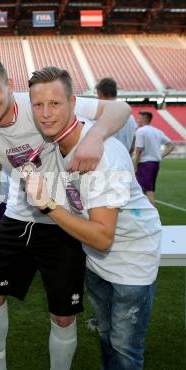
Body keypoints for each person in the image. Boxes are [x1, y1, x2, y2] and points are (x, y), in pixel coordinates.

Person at [0, 56, 131, 370]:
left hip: (63, 220)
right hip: (19, 217)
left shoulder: (41, 102)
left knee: (64, 314)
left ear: (10, 87)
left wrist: (94, 137)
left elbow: (120, 109)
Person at [25, 66, 162, 370]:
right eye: (38, 105)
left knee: (125, 352)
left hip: (131, 260)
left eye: (55, 104)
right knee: (107, 337)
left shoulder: (103, 155)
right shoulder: (58, 140)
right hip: (96, 259)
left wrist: (47, 205)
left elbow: (103, 235)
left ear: (74, 103)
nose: (46, 113)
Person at [134, 111, 175, 206]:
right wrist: (160, 156)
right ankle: (147, 213)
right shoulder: (157, 131)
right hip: (155, 164)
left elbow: (139, 150)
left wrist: (135, 166)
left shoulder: (140, 131)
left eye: (139, 118)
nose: (137, 120)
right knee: (146, 190)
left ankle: (154, 215)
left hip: (145, 164)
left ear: (144, 119)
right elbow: (171, 145)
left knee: (148, 192)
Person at [96, 77, 137, 154]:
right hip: (125, 160)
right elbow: (132, 147)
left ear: (100, 93)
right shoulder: (130, 117)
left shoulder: (101, 114)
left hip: (108, 161)